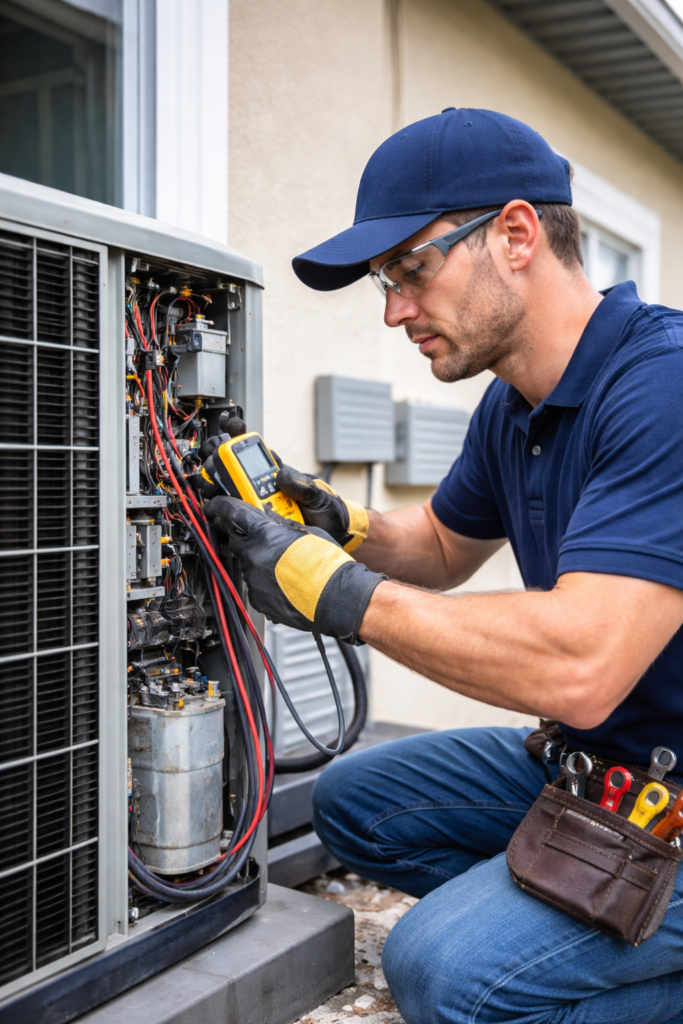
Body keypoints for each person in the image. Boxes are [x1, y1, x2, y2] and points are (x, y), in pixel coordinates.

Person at [207, 109, 683, 1024]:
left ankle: (569, 938)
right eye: (383, 283)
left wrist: (338, 593)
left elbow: (581, 665)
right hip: (598, 769)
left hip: (665, 789)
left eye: (410, 269)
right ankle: (572, 922)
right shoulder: (514, 404)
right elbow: (437, 545)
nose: (393, 310)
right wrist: (339, 525)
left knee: (444, 973)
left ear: (515, 234)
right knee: (355, 803)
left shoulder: (662, 386)